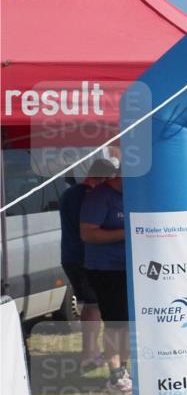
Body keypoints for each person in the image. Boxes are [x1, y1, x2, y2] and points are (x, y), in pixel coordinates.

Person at [59, 159, 116, 373]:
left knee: (89, 305)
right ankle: (89, 355)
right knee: (94, 306)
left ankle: (90, 352)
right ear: (103, 178)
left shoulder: (69, 194)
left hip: (71, 256)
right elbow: (91, 228)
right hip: (83, 258)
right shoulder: (87, 196)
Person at [79, 159, 131, 393]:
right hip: (106, 269)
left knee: (129, 323)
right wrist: (126, 232)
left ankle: (124, 370)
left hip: (131, 268)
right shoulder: (99, 196)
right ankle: (115, 375)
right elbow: (88, 234)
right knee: (116, 323)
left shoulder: (131, 195)